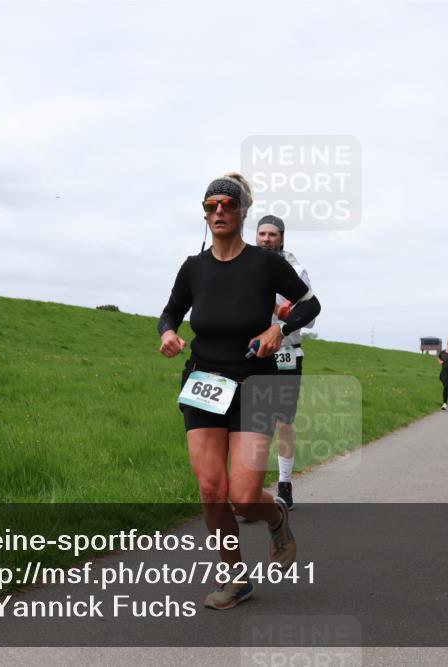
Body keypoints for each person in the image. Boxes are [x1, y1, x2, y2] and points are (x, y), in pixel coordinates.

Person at [158, 173, 322, 610]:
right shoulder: (193, 267)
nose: (218, 212)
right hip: (204, 384)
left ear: (243, 211)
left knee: (244, 497)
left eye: (227, 205)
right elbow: (170, 312)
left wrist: (279, 328)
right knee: (211, 489)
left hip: (254, 383)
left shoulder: (265, 264)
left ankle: (276, 516)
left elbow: (310, 303)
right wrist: (168, 333)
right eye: (211, 206)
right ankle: (235, 578)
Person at [256, 215, 313, 510]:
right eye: (262, 234)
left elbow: (311, 314)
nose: (266, 239)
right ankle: (250, 492)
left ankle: (285, 486)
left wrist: (284, 316)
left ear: (282, 238)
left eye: (272, 234)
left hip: (287, 352)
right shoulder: (246, 266)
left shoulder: (296, 270)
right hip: (253, 352)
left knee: (283, 420)